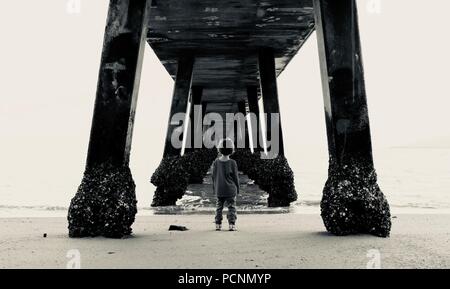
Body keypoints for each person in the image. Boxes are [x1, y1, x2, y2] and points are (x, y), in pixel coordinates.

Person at [212, 138, 240, 231]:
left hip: (219, 189)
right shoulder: (233, 162)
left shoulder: (216, 162)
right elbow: (235, 177)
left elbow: (214, 176)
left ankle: (218, 224)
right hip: (230, 190)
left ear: (219, 149)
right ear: (231, 150)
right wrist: (238, 189)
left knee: (219, 207)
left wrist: (215, 188)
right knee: (231, 207)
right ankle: (231, 225)